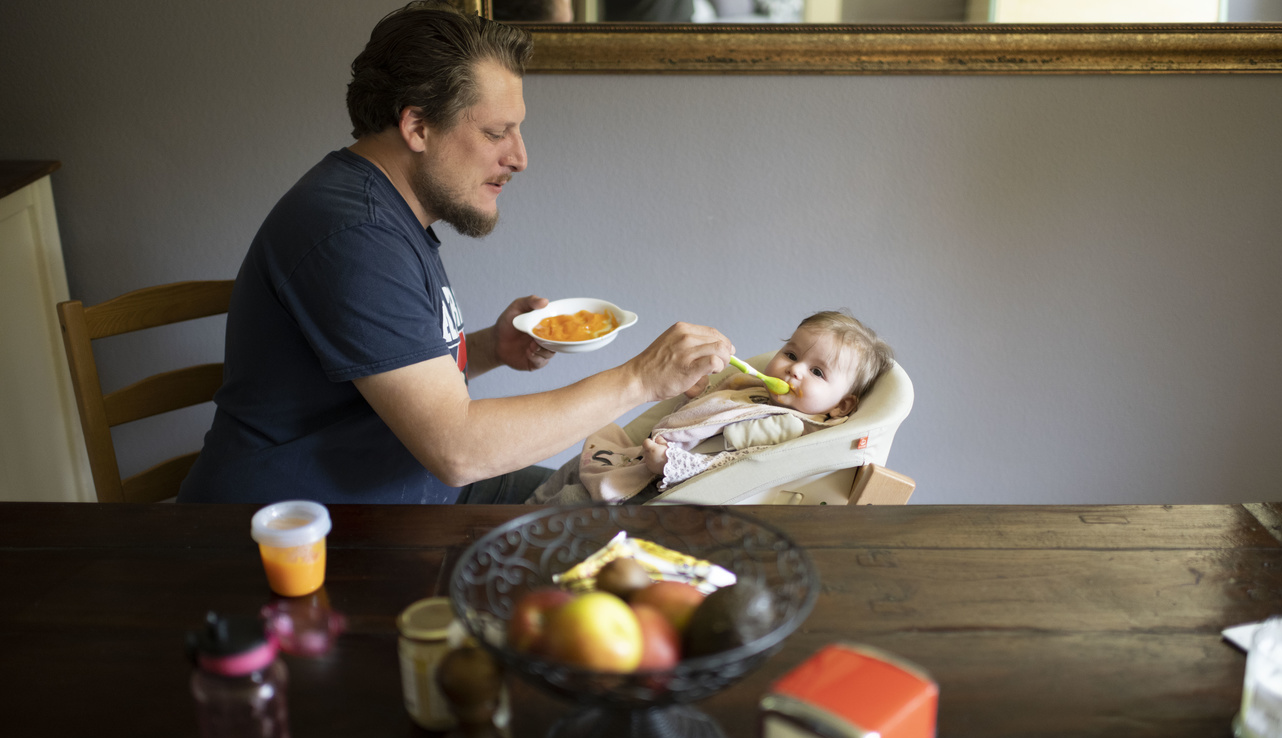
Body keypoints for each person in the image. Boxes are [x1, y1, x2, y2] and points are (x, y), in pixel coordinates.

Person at [178, 1, 732, 505]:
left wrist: (493, 347)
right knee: (619, 525)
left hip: (408, 493)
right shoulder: (353, 232)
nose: (520, 157)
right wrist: (641, 378)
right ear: (417, 125)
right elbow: (457, 447)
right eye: (497, 132)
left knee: (630, 499)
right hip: (301, 538)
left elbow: (389, 374)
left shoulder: (384, 209)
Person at [528, 310, 894, 505]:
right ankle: (518, 511)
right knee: (574, 466)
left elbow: (732, 463)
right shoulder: (752, 388)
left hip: (663, 488)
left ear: (840, 405)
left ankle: (521, 537)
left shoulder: (784, 426)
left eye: (816, 371)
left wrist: (669, 465)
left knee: (574, 500)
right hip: (638, 457)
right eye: (792, 354)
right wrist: (696, 393)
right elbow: (709, 414)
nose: (794, 369)